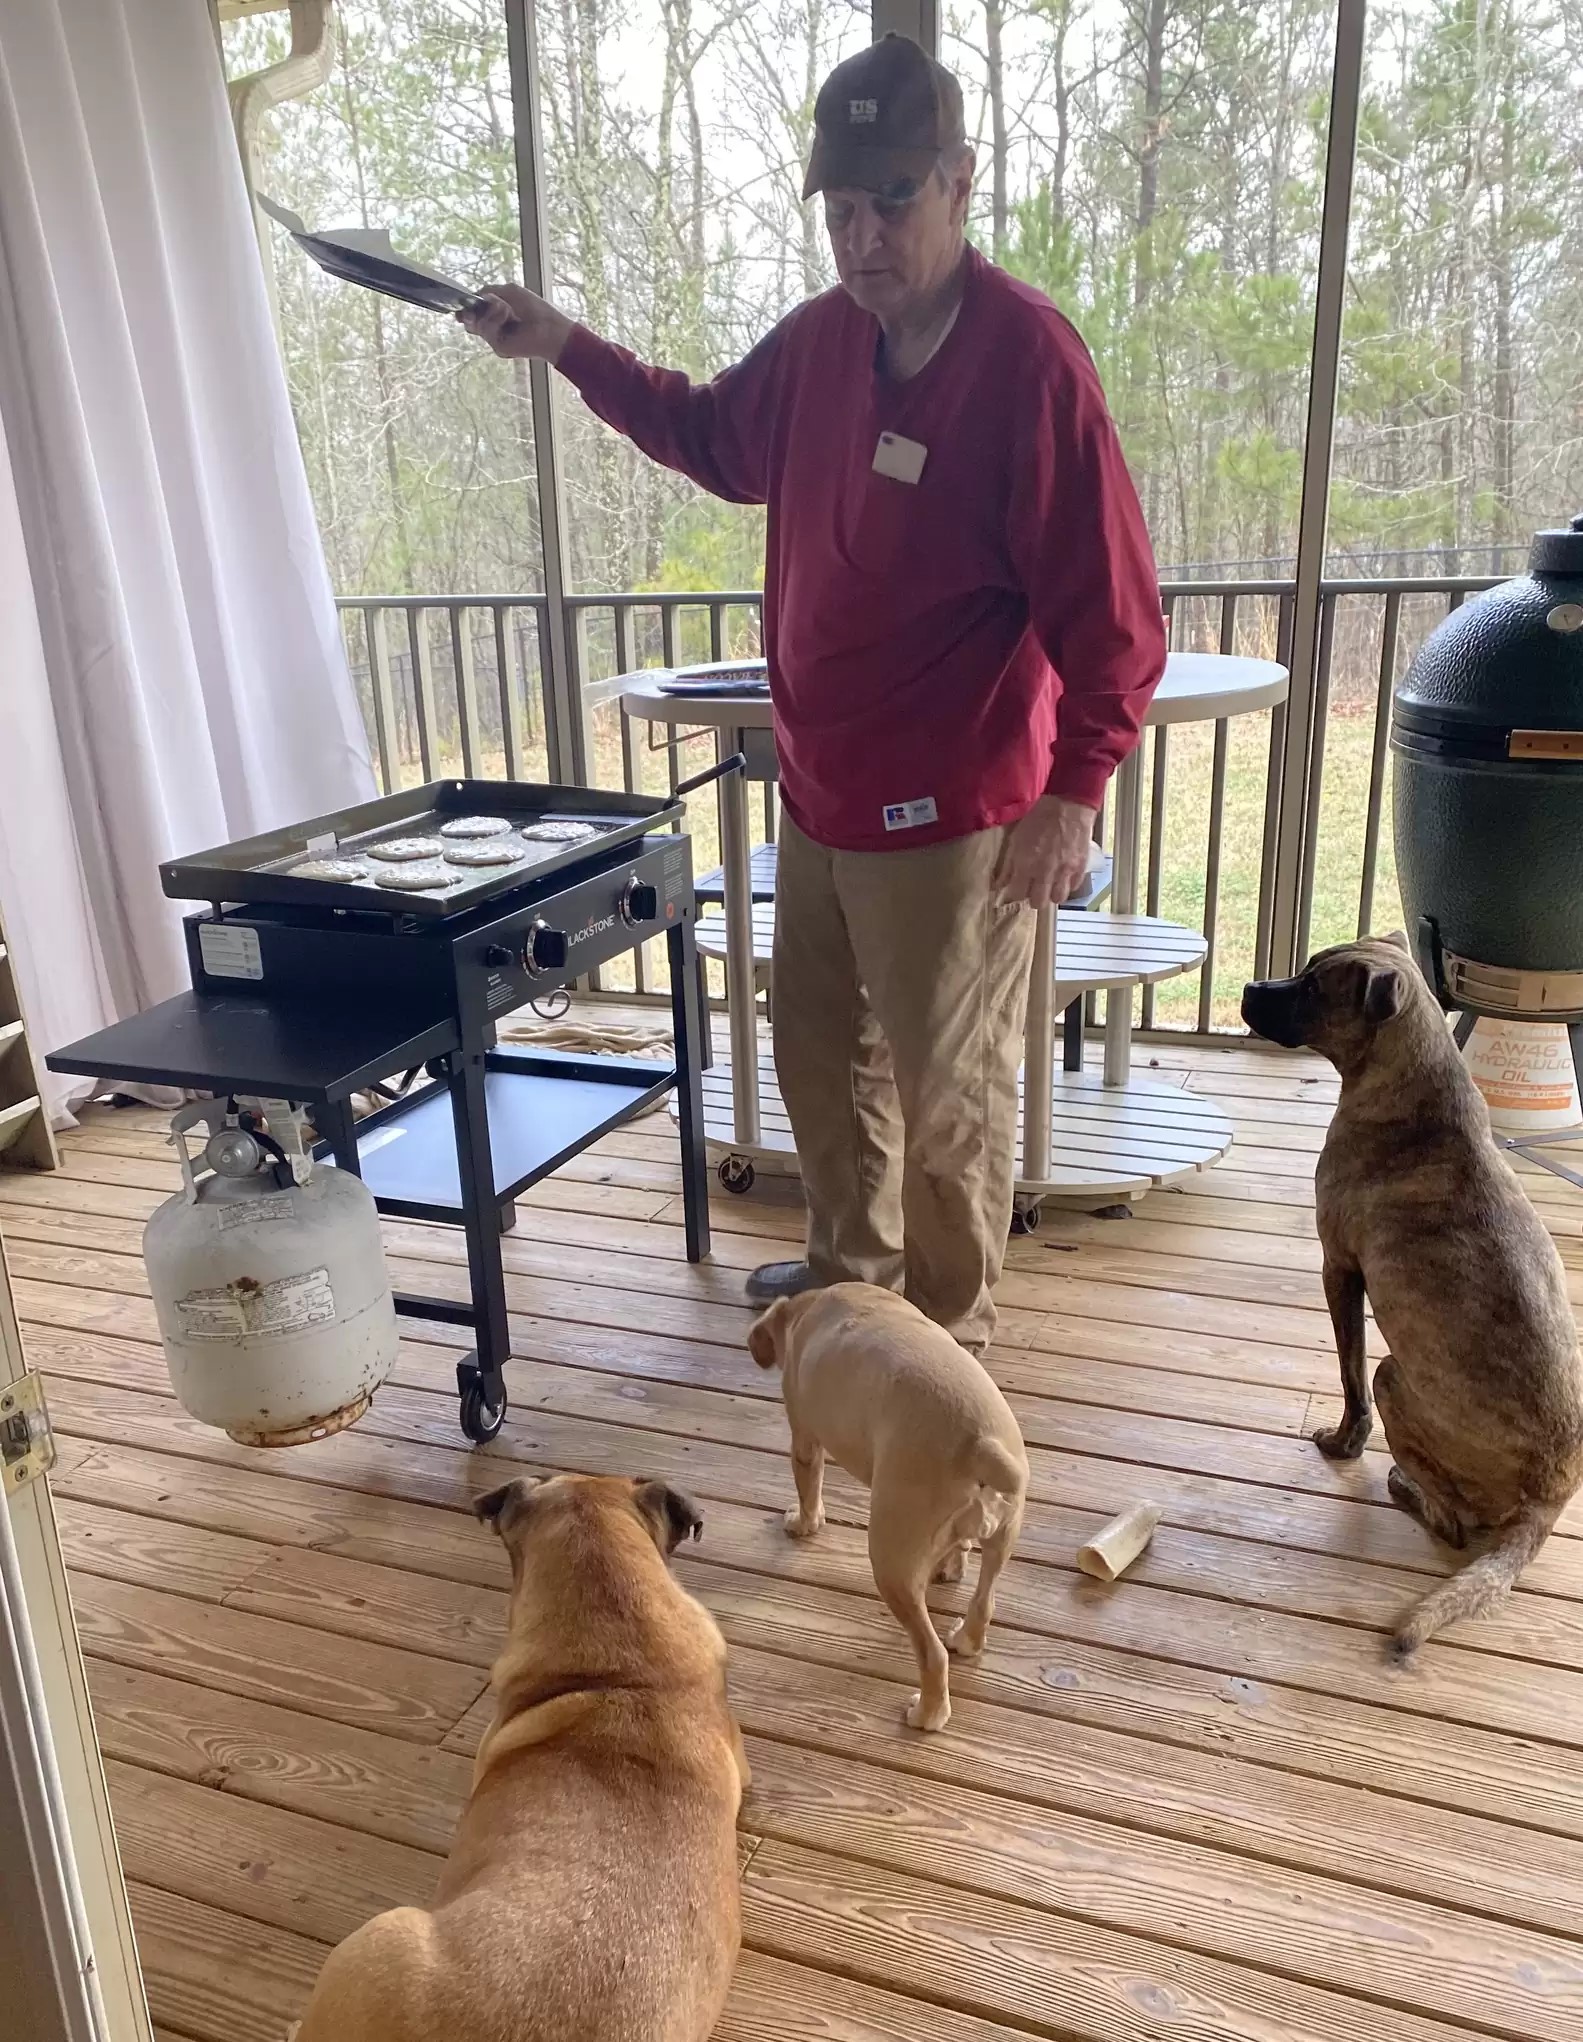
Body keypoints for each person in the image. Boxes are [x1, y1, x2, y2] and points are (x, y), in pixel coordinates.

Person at [462, 34, 1165, 1353]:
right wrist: (563, 344)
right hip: (824, 800)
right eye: (841, 211)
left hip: (956, 819)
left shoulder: (1030, 367)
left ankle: (947, 1345)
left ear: (958, 181)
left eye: (890, 200)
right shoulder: (821, 347)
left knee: (949, 1099)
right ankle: (852, 1280)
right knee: (822, 1060)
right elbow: (707, 433)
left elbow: (1118, 615)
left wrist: (1077, 789)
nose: (862, 236)